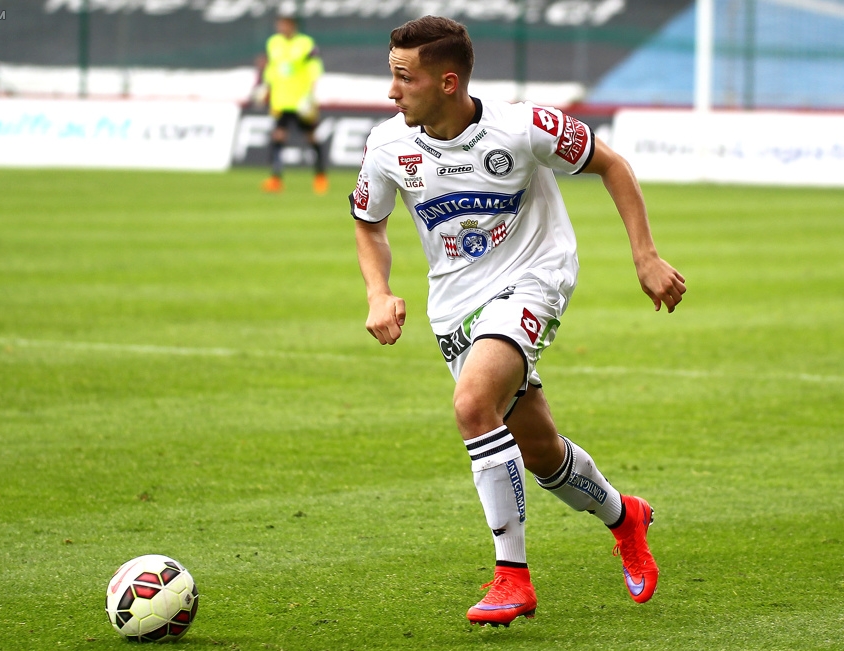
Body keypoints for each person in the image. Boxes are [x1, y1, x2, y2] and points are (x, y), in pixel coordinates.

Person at [349, 16, 687, 628]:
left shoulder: (525, 126)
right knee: (540, 453)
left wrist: (645, 255)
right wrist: (379, 291)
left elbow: (611, 164)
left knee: (473, 403)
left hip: (535, 277)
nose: (392, 92)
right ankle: (624, 517)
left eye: (405, 78)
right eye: (392, 76)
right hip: (454, 303)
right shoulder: (386, 145)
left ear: (448, 82)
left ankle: (512, 578)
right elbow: (369, 222)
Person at [256, 10, 328, 195]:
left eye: (286, 24)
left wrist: (311, 96)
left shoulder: (305, 44)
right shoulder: (273, 43)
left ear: (293, 26)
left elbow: (314, 68)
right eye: (280, 24)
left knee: (311, 137)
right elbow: (272, 69)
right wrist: (266, 89)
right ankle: (276, 179)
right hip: (281, 100)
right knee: (278, 136)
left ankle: (320, 177)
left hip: (301, 101)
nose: (282, 27)